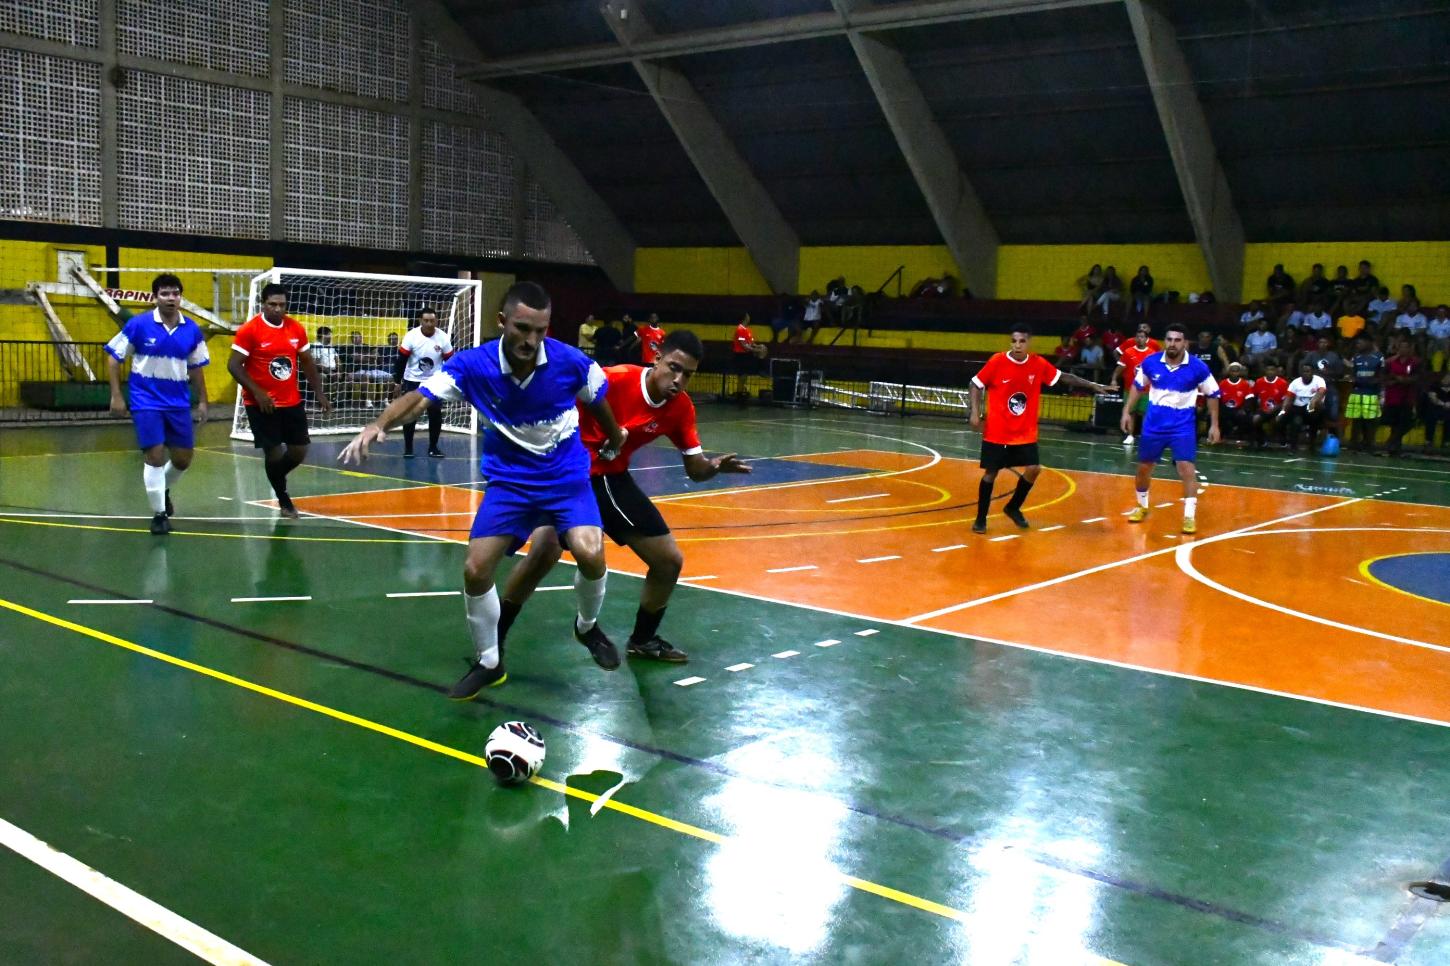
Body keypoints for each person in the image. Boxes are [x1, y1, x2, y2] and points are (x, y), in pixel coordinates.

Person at [338, 282, 627, 698]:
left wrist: (615, 436)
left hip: (565, 479)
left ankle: (586, 627)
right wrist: (377, 425)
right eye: (523, 328)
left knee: (590, 552)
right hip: (510, 482)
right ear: (502, 321)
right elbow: (420, 399)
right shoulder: (473, 365)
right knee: (475, 569)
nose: (531, 340)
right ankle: (490, 662)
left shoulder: (572, 363)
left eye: (540, 330)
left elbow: (598, 398)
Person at [490, 330, 751, 665]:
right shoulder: (612, 380)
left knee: (668, 561)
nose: (679, 379)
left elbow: (694, 469)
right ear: (656, 357)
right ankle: (494, 640)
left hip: (611, 477)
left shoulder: (680, 408)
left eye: (688, 374)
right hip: (566, 471)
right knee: (543, 553)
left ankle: (642, 640)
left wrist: (714, 467)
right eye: (674, 367)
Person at [968, 325, 1108, 533]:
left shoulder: (1037, 363)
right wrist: (974, 412)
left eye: (1022, 341)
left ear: (1029, 342)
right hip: (998, 430)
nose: (1017, 345)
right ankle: (981, 519)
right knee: (991, 473)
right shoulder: (997, 361)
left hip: (1024, 432)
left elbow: (1063, 377)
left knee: (1034, 468)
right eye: (1014, 341)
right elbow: (975, 383)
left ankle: (1013, 507)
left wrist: (1092, 385)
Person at [105, 273, 211, 535]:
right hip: (146, 400)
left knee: (183, 459)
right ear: (155, 297)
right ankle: (159, 514)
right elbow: (113, 358)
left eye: (175, 293)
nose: (171, 298)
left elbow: (197, 368)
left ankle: (161, 488)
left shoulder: (192, 330)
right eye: (165, 293)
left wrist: (204, 401)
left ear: (180, 297)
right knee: (154, 455)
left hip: (178, 402)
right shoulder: (138, 325)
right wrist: (117, 395)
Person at [227, 282, 331, 519]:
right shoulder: (250, 330)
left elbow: (306, 363)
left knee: (299, 451)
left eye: (282, 305)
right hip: (261, 404)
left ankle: (276, 475)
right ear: (263, 304)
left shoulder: (295, 328)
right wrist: (258, 392)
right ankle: (284, 500)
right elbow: (233, 365)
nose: (277, 309)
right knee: (273, 453)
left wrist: (320, 393)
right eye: (272, 304)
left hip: (291, 401)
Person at [1121, 323, 1220, 534]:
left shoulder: (1198, 367)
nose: (1172, 344)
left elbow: (1213, 394)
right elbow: (1137, 387)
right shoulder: (1150, 362)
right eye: (1169, 339)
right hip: (1153, 425)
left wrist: (1214, 425)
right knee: (1144, 468)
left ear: (1185, 343)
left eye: (1177, 340)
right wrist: (1126, 412)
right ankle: (1142, 506)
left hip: (1182, 426)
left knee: (1186, 468)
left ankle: (1189, 517)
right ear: (1164, 341)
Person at [393, 306, 455, 457]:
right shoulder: (411, 336)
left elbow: (451, 361)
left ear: (436, 321)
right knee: (410, 415)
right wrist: (397, 382)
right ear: (420, 321)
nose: (429, 324)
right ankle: (408, 449)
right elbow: (401, 360)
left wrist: (451, 381)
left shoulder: (443, 337)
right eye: (426, 321)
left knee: (435, 414)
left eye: (432, 321)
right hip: (412, 381)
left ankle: (433, 448)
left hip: (434, 383)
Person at [1109, 322, 1162, 444]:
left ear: (1146, 339)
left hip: (1147, 390)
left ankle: (1145, 437)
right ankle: (1130, 435)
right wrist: (1114, 379)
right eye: (1138, 337)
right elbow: (1119, 368)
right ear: (1135, 338)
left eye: (1142, 337)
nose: (1140, 339)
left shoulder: (1152, 353)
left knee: (1145, 414)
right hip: (1130, 388)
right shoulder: (1128, 352)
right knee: (1131, 413)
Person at [1344, 335, 1385, 453]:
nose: (1358, 345)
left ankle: (1369, 444)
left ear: (1369, 342)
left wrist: (1371, 382)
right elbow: (1352, 374)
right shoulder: (1356, 357)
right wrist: (1351, 378)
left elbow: (1380, 376)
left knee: (1370, 421)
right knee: (1356, 420)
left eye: (1360, 343)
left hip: (1371, 394)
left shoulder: (1379, 357)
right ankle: (1354, 444)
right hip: (1357, 393)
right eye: (1357, 343)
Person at [1383, 338, 1423, 457]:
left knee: (1405, 423)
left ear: (1411, 349)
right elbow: (1384, 377)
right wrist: (1392, 380)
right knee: (1393, 423)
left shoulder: (1415, 362)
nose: (1403, 349)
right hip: (1392, 396)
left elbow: (1416, 378)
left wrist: (1402, 379)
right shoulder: (1390, 362)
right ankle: (1395, 447)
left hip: (1407, 397)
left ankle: (1392, 442)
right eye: (1401, 347)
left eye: (1406, 347)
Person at [1279, 362, 1328, 452]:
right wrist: (1282, 411)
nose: (1306, 373)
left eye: (1308, 371)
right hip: (1299, 409)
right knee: (1295, 421)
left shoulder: (1319, 380)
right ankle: (1293, 446)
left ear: (1312, 372)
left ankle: (1312, 443)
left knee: (1320, 408)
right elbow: (1288, 398)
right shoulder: (1295, 382)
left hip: (1313, 410)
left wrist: (1313, 401)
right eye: (1304, 371)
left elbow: (1321, 392)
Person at [1251, 362, 1290, 449]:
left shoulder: (1282, 383)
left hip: (1278, 409)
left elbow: (1285, 401)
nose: (1270, 372)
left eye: (1272, 370)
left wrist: (1275, 408)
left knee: (1279, 419)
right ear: (1265, 370)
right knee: (1255, 419)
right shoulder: (1259, 381)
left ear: (1276, 371)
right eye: (1268, 369)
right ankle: (1262, 441)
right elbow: (1254, 397)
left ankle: (1283, 442)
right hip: (1263, 410)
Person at [1217, 362, 1256, 444]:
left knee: (1244, 416)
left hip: (1239, 408)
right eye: (1232, 371)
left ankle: (1241, 438)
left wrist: (1244, 409)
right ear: (1229, 372)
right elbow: (1218, 398)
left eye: (1236, 371)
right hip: (1225, 408)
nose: (1234, 373)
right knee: (1219, 415)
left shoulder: (1245, 384)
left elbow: (1249, 398)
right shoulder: (1222, 383)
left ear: (1239, 372)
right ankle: (1221, 436)